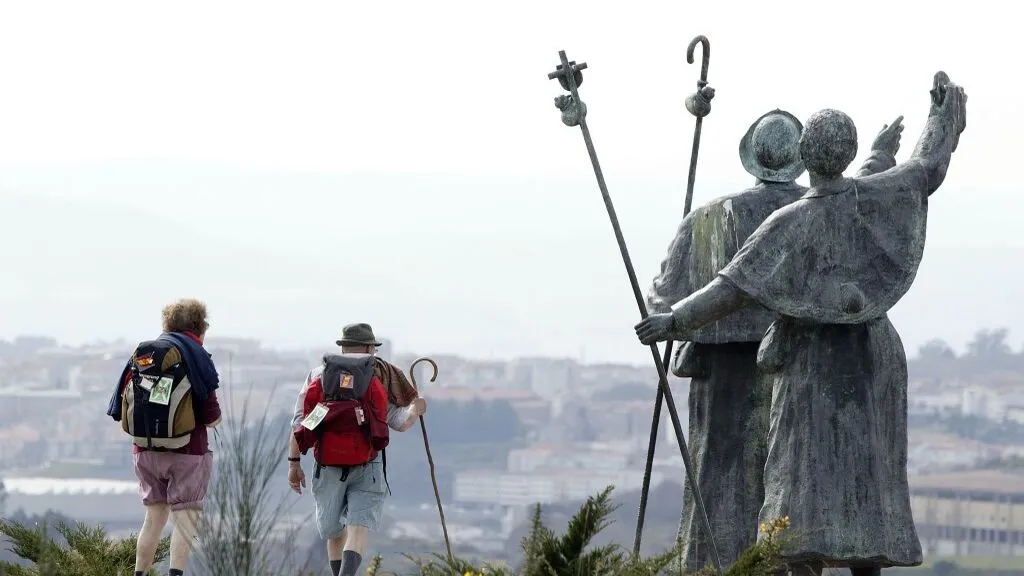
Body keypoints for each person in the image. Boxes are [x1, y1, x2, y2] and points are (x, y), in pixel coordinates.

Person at [636, 73, 967, 575]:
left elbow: (729, 288)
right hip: (872, 354)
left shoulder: (780, 221)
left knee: (801, 484)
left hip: (810, 361)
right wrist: (942, 119)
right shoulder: (874, 196)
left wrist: (673, 321)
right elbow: (925, 167)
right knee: (866, 484)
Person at [287, 323, 425, 576]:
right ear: (370, 347)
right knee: (358, 527)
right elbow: (397, 422)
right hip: (368, 462)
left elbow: (301, 422)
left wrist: (293, 463)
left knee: (334, 533)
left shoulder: (319, 374)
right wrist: (415, 410)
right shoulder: (381, 373)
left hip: (327, 463)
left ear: (342, 345)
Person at [106, 298, 222, 576]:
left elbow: (118, 407)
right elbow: (211, 415)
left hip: (144, 450)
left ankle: (140, 573)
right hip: (187, 451)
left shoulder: (143, 355)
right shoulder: (196, 356)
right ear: (199, 328)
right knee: (185, 518)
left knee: (154, 517)